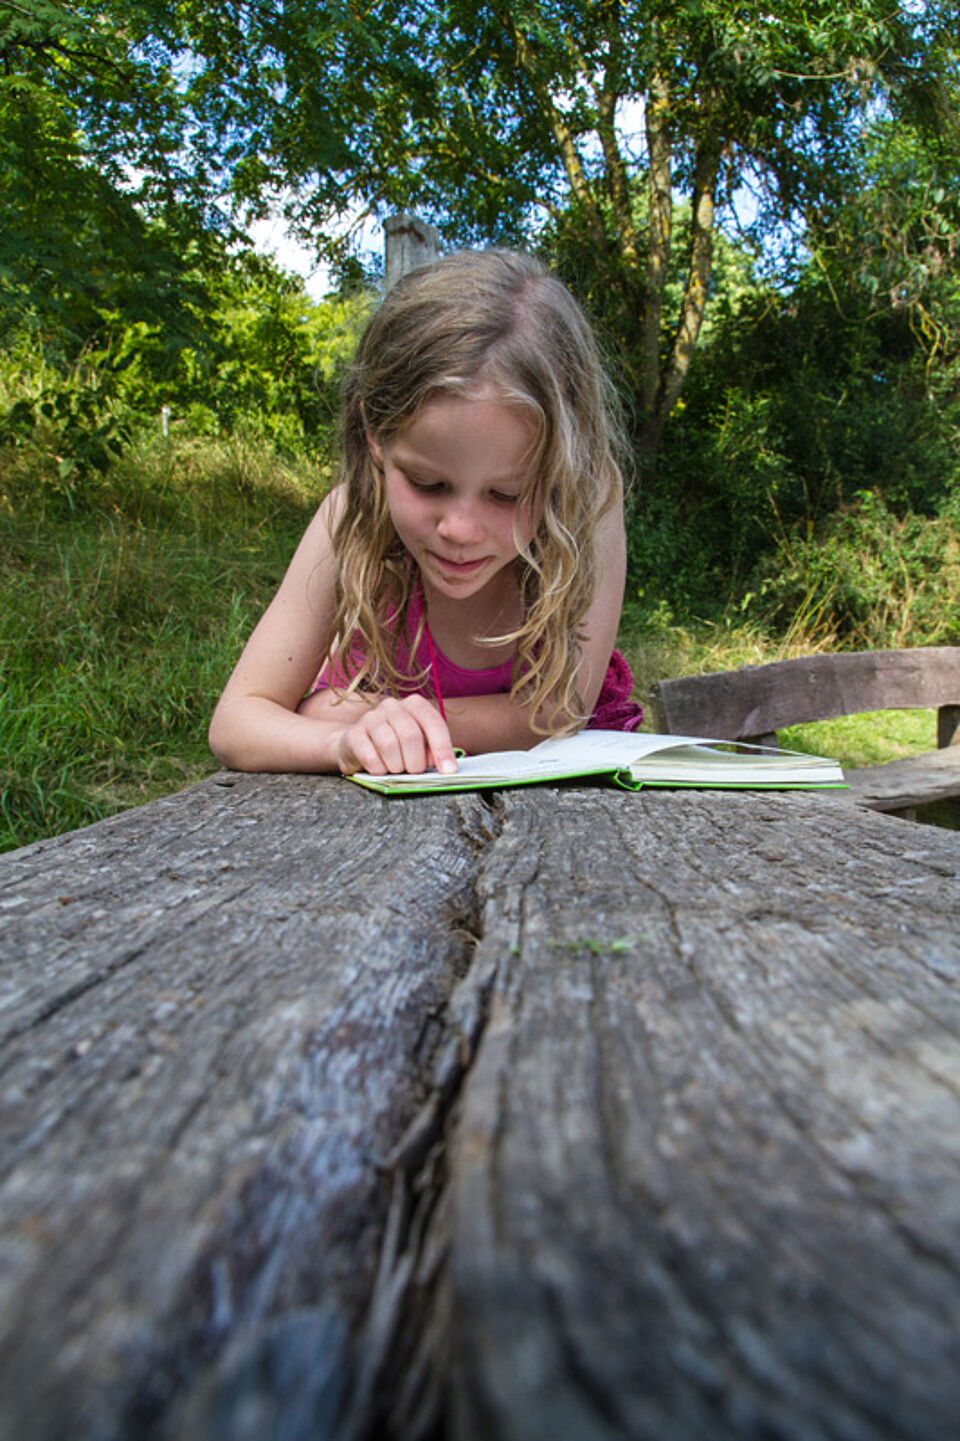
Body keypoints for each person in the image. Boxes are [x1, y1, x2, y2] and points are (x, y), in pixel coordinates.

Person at [209, 248, 642, 779]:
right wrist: (343, 740)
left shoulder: (587, 501)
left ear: (565, 466)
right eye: (428, 484)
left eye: (507, 494)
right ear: (375, 435)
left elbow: (556, 713)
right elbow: (237, 721)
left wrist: (351, 712)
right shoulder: (349, 519)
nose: (459, 530)